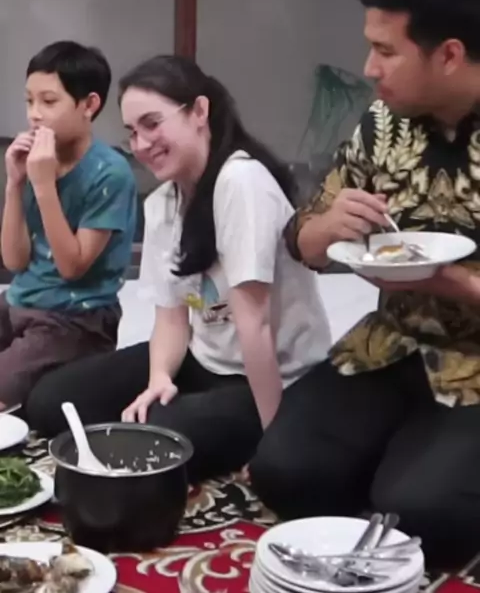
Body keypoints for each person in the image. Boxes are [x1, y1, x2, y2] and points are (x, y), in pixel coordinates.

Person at [245, 0, 480, 569]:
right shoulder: (384, 122)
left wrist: (456, 284)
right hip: (390, 343)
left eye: (386, 51)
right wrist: (326, 228)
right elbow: (302, 240)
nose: (369, 68)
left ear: (449, 54)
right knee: (283, 472)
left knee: (427, 516)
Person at [26, 55, 331, 480]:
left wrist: (273, 439)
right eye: (133, 132)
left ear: (199, 112)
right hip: (202, 360)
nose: (141, 144)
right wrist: (158, 380)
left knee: (150, 444)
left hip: (272, 376)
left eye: (153, 124)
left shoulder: (241, 183)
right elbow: (171, 319)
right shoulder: (163, 203)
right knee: (50, 401)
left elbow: (255, 326)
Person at [0, 41, 137, 409]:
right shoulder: (36, 161)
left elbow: (72, 267)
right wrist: (14, 184)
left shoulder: (110, 173)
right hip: (20, 300)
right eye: (29, 101)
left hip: (77, 319)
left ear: (88, 105)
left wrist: (43, 185)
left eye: (49, 101)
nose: (35, 115)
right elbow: (14, 262)